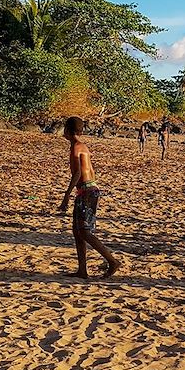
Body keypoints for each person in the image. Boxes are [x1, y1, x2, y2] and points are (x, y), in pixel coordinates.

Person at [58, 116, 121, 279]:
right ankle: (82, 270)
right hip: (88, 190)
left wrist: (66, 196)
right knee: (77, 232)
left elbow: (78, 173)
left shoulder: (76, 148)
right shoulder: (82, 146)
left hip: (86, 191)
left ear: (67, 130)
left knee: (84, 232)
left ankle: (112, 261)